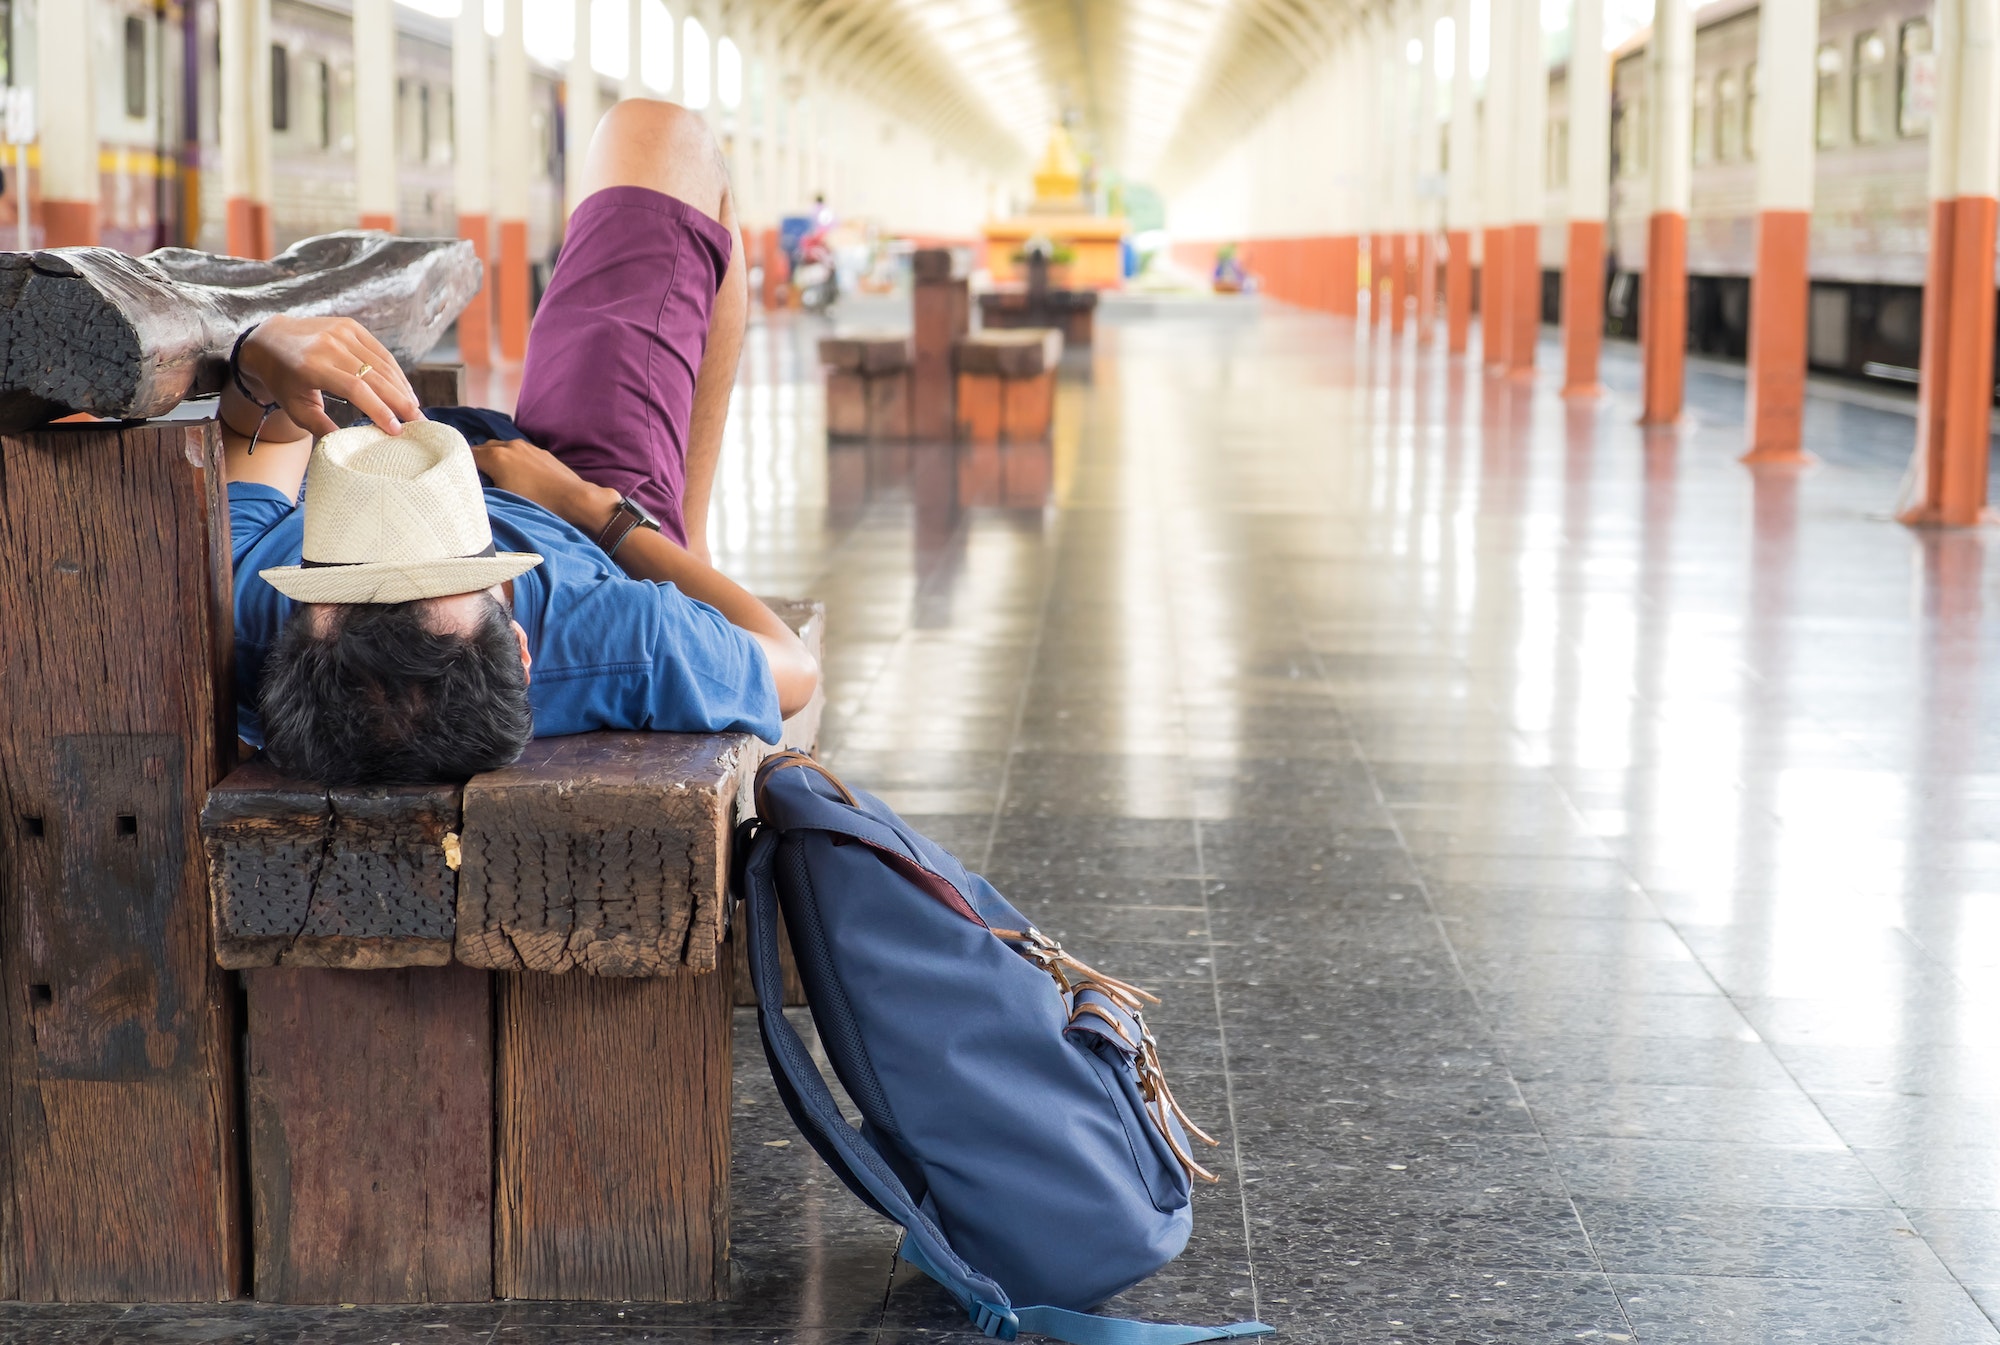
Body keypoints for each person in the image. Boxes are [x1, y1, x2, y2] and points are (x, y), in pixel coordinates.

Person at [221, 100, 818, 786]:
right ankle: (688, 536)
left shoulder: (249, 610)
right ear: (524, 648)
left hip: (439, 464)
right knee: (661, 137)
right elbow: (792, 666)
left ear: (287, 641)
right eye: (447, 566)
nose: (397, 532)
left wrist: (263, 358)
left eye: (358, 575)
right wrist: (597, 509)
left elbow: (254, 429)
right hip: (577, 509)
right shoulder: (615, 638)